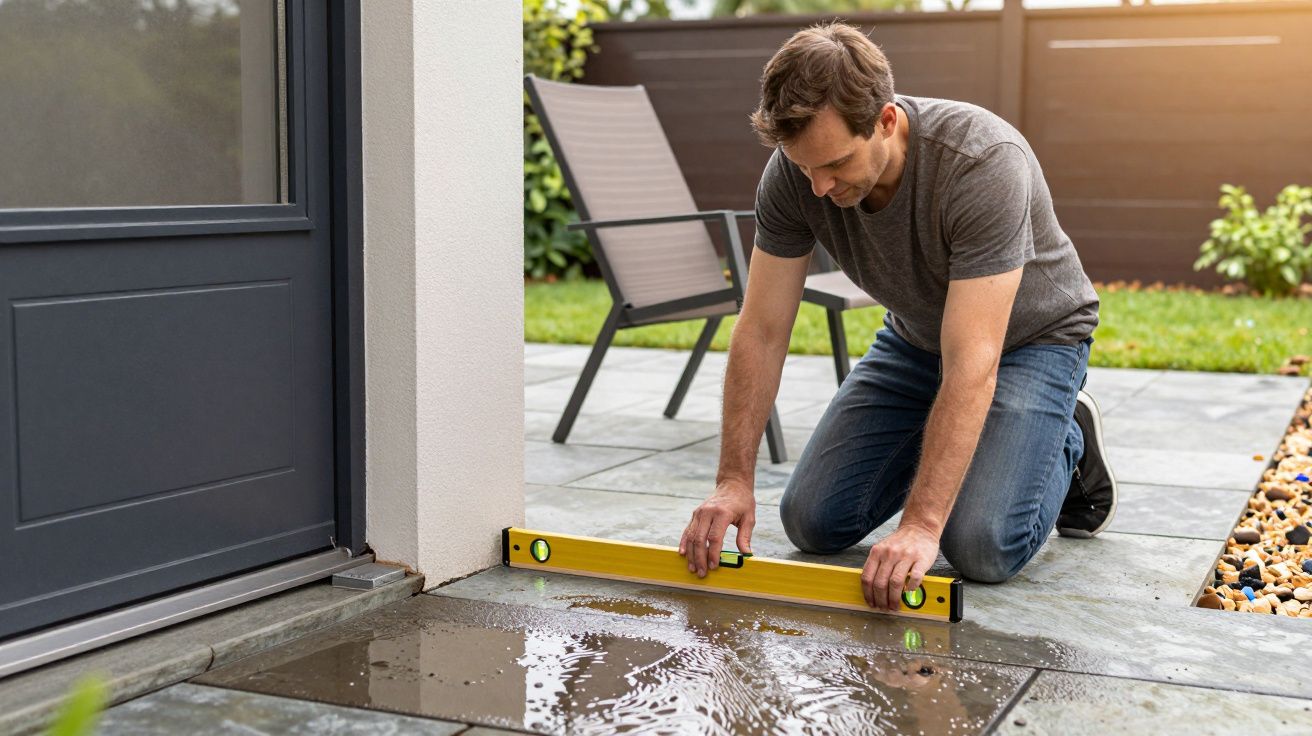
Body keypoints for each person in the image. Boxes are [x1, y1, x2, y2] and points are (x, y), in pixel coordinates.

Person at [677, 21, 1116, 612]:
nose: (819, 186)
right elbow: (761, 329)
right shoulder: (796, 175)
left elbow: (974, 360)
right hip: (916, 341)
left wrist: (921, 524)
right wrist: (733, 481)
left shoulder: (981, 161)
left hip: (1030, 343)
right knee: (812, 521)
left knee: (980, 546)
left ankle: (1065, 433)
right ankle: (975, 441)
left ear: (885, 120)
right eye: (804, 167)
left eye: (834, 163)